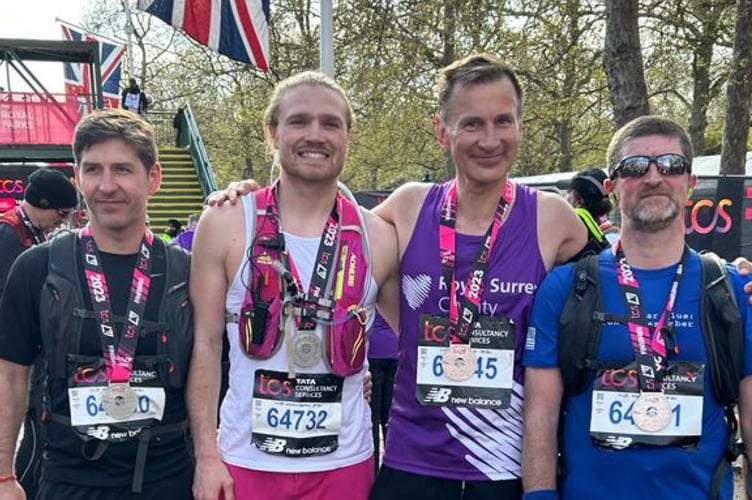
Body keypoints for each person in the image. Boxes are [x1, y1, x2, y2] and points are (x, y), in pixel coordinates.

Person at [367, 53, 588, 499]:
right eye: (471, 124)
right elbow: (325, 240)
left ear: (520, 127)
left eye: (503, 121)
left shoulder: (554, 219)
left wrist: (730, 282)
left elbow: (630, 278)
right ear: (442, 131)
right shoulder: (409, 206)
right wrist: (250, 200)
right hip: (412, 463)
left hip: (506, 468)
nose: (490, 140)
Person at [188, 71, 399, 500]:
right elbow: (206, 345)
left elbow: (413, 339)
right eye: (299, 121)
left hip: (344, 463)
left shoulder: (379, 235)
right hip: (246, 461)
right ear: (273, 132)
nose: (315, 135)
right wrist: (207, 457)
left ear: (347, 135)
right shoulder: (227, 222)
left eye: (330, 123)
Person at [522, 116, 752, 499]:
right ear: (612, 188)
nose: (654, 177)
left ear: (690, 183)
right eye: (634, 168)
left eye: (671, 165)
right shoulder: (566, 289)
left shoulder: (732, 291)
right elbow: (539, 416)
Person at [0, 108, 194, 500]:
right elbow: (9, 376)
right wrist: (3, 474)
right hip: (69, 479)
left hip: (168, 478)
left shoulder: (185, 272)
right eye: (93, 170)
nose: (107, 186)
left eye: (122, 169)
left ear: (153, 178)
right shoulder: (38, 266)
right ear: (77, 178)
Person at [0, 167, 78, 499]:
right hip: (12, 351)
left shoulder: (27, 232)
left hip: (23, 345)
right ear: (43, 204)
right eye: (61, 213)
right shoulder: (9, 235)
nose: (63, 221)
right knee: (32, 421)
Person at [367, 312, 398, 472]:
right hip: (395, 348)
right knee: (391, 416)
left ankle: (372, 469)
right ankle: (393, 468)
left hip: (372, 349)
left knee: (372, 417)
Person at [567, 167, 618, 247]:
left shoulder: (576, 241)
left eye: (569, 195)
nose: (566, 201)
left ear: (579, 201)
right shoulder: (615, 233)